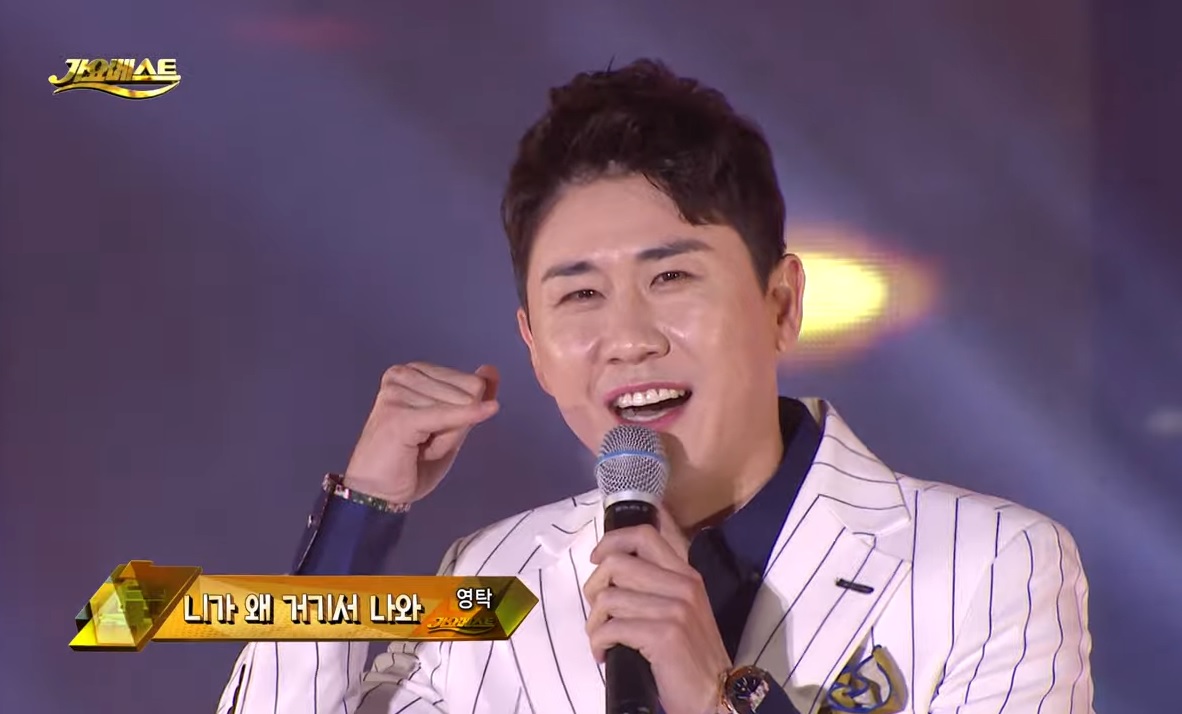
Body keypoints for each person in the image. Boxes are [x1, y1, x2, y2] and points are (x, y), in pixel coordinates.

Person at [215, 59, 1094, 714]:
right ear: (533, 346)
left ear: (781, 304)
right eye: (580, 295)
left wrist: (718, 696)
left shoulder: (992, 565)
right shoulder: (494, 575)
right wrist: (361, 514)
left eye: (671, 278)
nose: (629, 339)